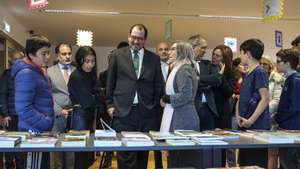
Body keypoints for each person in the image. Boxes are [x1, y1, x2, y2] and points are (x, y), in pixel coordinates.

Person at [106, 24, 164, 169]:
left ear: (145, 40)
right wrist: (110, 105)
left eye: (140, 38)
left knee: (142, 155)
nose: (136, 41)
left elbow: (158, 85)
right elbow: (110, 82)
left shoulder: (154, 59)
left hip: (146, 113)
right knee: (126, 155)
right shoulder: (117, 55)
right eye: (133, 37)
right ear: (128, 36)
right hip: (123, 112)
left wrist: (153, 105)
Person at [11, 35, 54, 169]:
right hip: (34, 134)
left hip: (39, 133)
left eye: (48, 53)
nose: (48, 57)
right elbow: (23, 108)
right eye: (44, 54)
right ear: (31, 54)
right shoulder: (26, 73)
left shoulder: (38, 71)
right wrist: (45, 122)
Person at [160, 41, 200, 168]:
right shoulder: (179, 67)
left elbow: (185, 95)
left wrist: (166, 98)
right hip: (178, 116)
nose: (169, 52)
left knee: (182, 160)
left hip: (184, 119)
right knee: (176, 159)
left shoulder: (184, 69)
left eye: (173, 49)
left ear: (181, 52)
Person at [236, 39, 270, 168]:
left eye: (241, 53)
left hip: (257, 127)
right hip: (246, 125)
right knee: (245, 163)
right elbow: (242, 97)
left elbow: (265, 98)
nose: (240, 56)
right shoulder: (248, 73)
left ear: (248, 54)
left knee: (255, 163)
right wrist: (238, 115)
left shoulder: (259, 72)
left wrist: (251, 120)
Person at [96, 41, 128, 168]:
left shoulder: (126, 74)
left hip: (122, 109)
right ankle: (107, 158)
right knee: (108, 135)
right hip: (107, 109)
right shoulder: (103, 74)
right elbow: (101, 92)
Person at [68, 46, 98, 169]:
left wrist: (95, 97)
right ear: (80, 60)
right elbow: (87, 101)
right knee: (80, 152)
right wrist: (95, 96)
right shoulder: (76, 76)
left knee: (87, 153)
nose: (90, 64)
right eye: (87, 61)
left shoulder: (92, 75)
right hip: (80, 116)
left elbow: (100, 97)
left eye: (93, 61)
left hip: (89, 116)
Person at [48, 43, 75, 169]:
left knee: (72, 150)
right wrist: (59, 110)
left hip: (74, 115)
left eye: (69, 53)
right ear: (57, 55)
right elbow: (47, 96)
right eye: (64, 54)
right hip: (56, 116)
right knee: (56, 151)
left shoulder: (77, 71)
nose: (67, 56)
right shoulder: (49, 72)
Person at [187, 34, 222, 131]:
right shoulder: (185, 65)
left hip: (208, 109)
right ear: (193, 47)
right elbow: (191, 84)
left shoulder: (208, 64)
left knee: (208, 141)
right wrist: (207, 82)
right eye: (202, 48)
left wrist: (199, 78)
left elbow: (217, 80)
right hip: (192, 108)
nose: (205, 51)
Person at [274, 49, 300, 169]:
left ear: (288, 63)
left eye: (279, 61)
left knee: (288, 162)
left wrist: (278, 118)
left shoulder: (295, 80)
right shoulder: (290, 79)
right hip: (287, 127)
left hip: (292, 128)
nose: (276, 64)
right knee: (284, 162)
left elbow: (294, 107)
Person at [0, 50, 26, 169]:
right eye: (16, 60)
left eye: (20, 60)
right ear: (11, 61)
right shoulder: (6, 75)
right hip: (10, 116)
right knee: (10, 146)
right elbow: (2, 95)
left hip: (23, 117)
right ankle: (10, 166)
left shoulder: (26, 74)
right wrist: (5, 114)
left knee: (22, 146)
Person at [211, 45, 236, 167]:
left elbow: (228, 92)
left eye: (217, 55)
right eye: (213, 54)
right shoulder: (209, 69)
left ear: (224, 58)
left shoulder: (230, 73)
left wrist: (220, 75)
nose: (214, 57)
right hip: (210, 112)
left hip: (222, 114)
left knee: (221, 147)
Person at [260, 56, 285, 169]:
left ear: (270, 65)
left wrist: (263, 112)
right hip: (258, 118)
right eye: (261, 64)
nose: (262, 66)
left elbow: (276, 100)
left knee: (272, 153)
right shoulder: (258, 77)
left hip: (271, 118)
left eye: (265, 64)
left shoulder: (277, 78)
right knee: (262, 152)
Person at [154, 41, 169, 169]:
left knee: (171, 137)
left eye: (166, 49)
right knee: (157, 137)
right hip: (157, 108)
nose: (164, 51)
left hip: (171, 106)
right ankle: (158, 166)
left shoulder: (174, 66)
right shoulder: (152, 66)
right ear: (156, 52)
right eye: (161, 49)